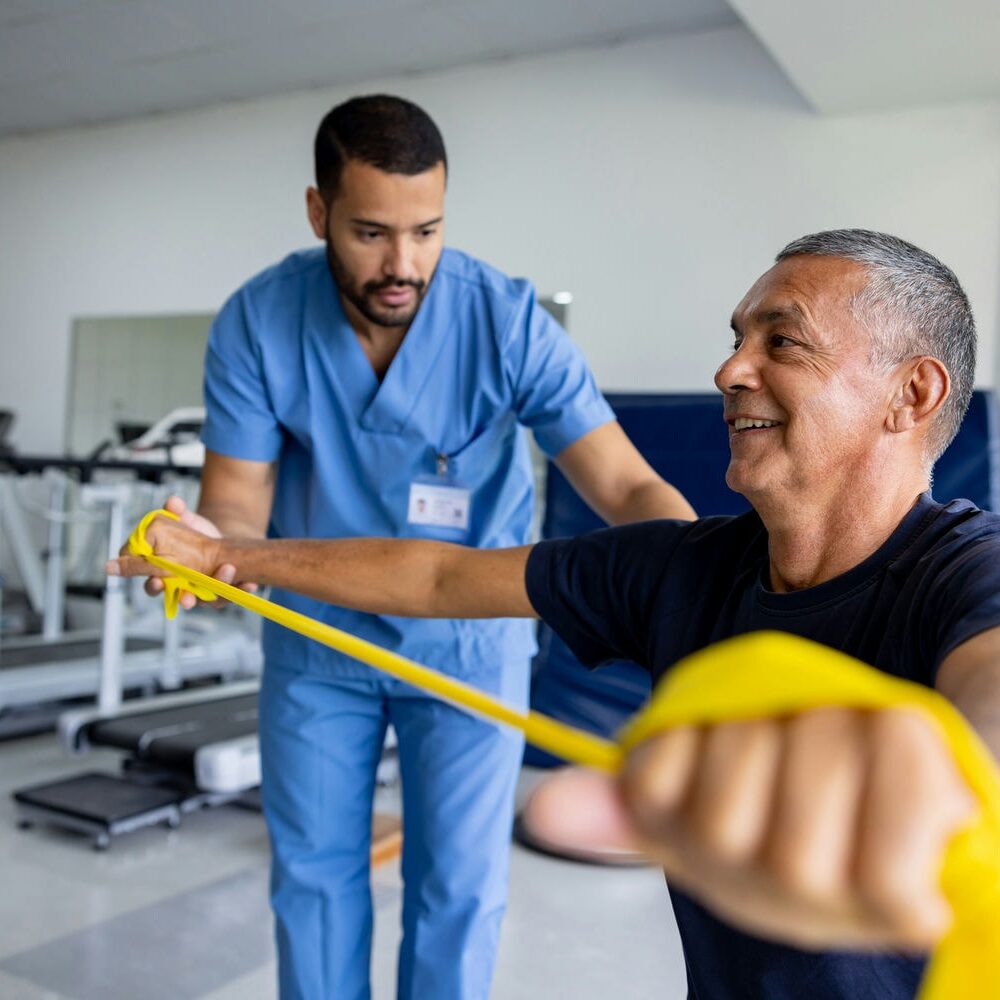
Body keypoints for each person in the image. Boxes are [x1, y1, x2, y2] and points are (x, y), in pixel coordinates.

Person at [114, 229, 1000, 999]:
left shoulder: (967, 568)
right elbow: (437, 581)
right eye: (736, 338)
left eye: (783, 341)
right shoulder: (682, 567)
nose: (729, 369)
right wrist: (227, 554)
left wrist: (951, 774)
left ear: (912, 395)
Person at [153, 93, 695, 1000]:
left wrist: (703, 578)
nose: (403, 265)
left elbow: (627, 485)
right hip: (319, 643)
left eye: (427, 230)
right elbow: (237, 506)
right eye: (370, 232)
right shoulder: (258, 321)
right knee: (315, 881)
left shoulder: (508, 322)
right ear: (319, 211)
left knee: (458, 892)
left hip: (470, 643)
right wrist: (208, 550)